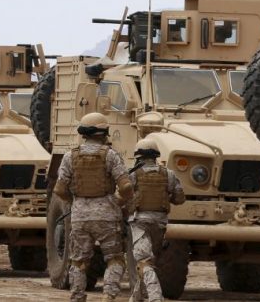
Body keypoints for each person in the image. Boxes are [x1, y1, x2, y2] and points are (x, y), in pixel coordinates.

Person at [52, 112, 134, 302]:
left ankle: (77, 296)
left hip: (79, 217)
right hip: (107, 217)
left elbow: (59, 189)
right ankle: (108, 296)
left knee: (78, 261)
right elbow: (126, 187)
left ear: (83, 133)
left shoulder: (69, 156)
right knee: (114, 259)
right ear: (104, 133)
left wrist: (75, 202)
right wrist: (118, 201)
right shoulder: (111, 156)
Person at [128, 138, 185, 302]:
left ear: (138, 156)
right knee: (148, 261)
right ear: (156, 156)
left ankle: (155, 297)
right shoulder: (169, 174)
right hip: (160, 224)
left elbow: (122, 195)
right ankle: (137, 297)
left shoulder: (133, 174)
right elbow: (179, 198)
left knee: (144, 262)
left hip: (140, 223)